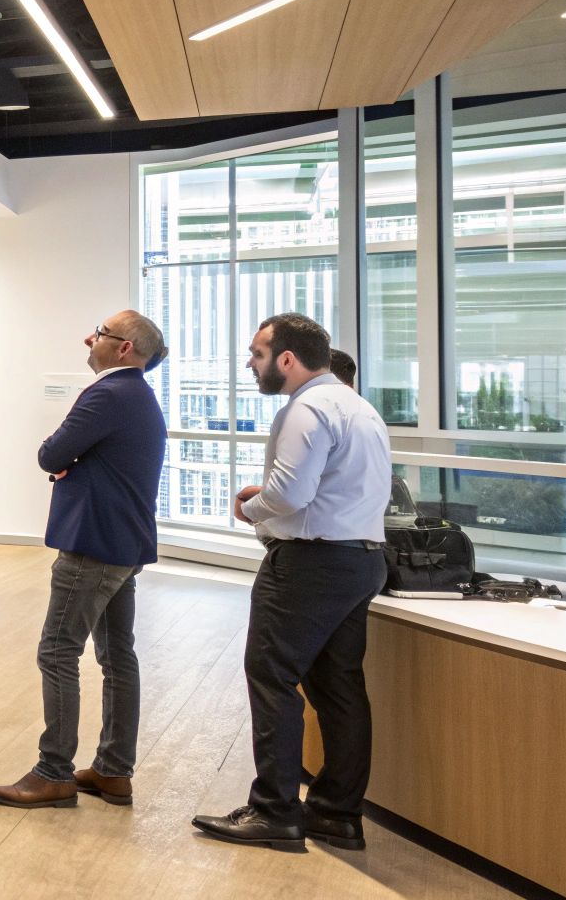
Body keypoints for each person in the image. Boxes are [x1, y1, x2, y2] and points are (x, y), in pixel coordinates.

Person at [193, 313, 393, 852]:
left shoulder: (304, 409)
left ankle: (274, 812)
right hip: (361, 560)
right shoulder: (358, 406)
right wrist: (281, 497)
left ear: (286, 359)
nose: (251, 365)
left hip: (310, 565)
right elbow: (334, 487)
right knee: (339, 688)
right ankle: (336, 814)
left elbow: (289, 496)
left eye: (257, 355)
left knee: (272, 676)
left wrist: (254, 509)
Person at [0, 310, 167, 809]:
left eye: (101, 332)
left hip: (93, 545)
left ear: (125, 348)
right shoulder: (139, 396)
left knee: (58, 650)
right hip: (123, 544)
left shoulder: (108, 393)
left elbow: (50, 453)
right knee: (116, 657)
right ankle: (113, 770)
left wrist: (69, 461)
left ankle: (53, 770)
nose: (90, 338)